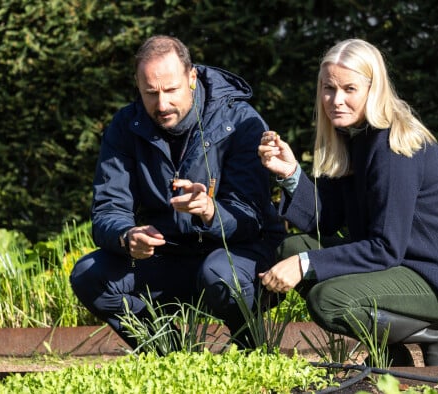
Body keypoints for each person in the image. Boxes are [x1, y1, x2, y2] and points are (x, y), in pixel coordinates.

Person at [257, 38, 438, 367]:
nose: (336, 100)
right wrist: (292, 174)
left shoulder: (391, 147)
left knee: (330, 300)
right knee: (292, 249)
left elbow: (384, 247)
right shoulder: (352, 137)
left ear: (374, 88)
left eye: (349, 89)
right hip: (405, 262)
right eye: (328, 88)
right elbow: (327, 221)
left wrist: (305, 266)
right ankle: (392, 353)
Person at [70, 35, 284, 351]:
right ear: (137, 86)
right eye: (150, 93)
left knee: (219, 274)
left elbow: (251, 217)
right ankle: (169, 355)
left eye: (171, 90)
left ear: (192, 78)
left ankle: (254, 353)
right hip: (167, 255)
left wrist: (210, 211)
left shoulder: (240, 121)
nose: (162, 104)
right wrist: (127, 237)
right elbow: (107, 210)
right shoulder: (124, 126)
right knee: (88, 274)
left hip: (238, 254)